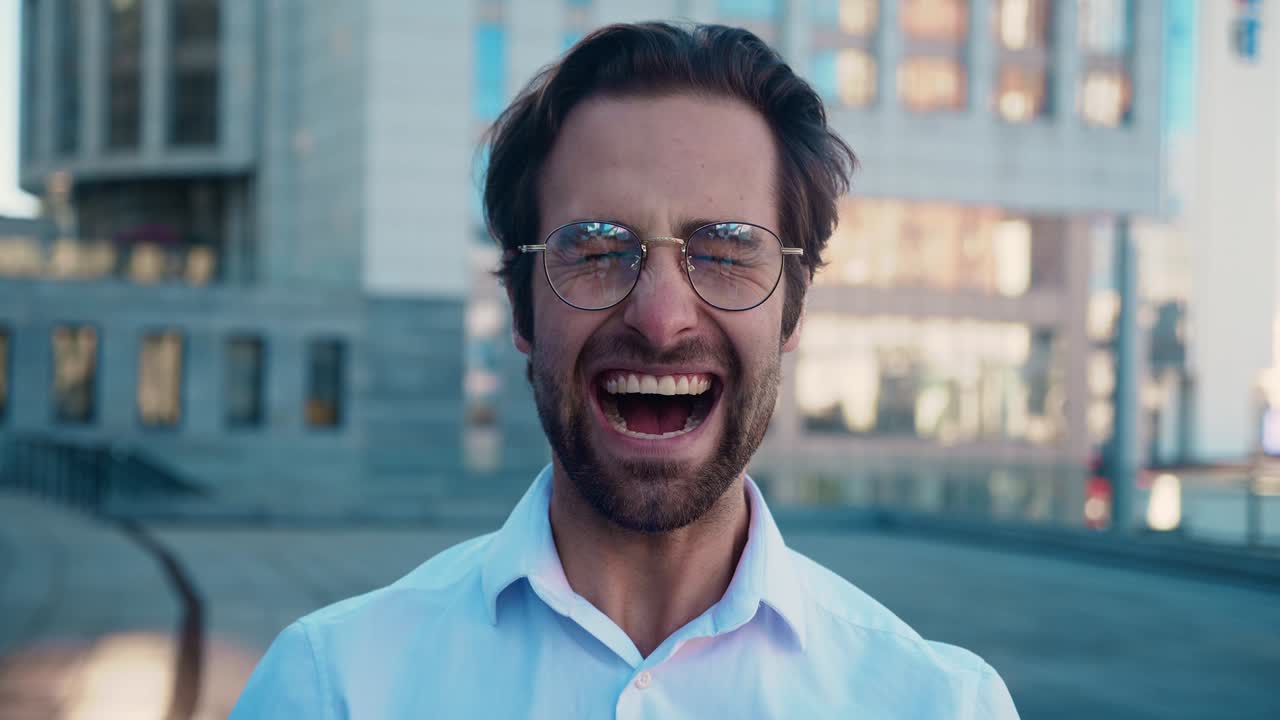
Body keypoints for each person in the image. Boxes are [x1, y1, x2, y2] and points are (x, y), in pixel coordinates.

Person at [231, 22, 1019, 718]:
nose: (661, 317)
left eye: (726, 250)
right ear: (520, 311)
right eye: (598, 248)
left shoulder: (940, 705)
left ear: (793, 310)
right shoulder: (332, 688)